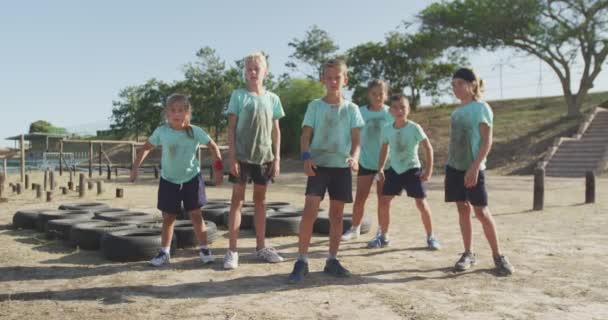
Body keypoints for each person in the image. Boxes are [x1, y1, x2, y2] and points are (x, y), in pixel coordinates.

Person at [287, 58, 365, 284]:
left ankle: (332, 259)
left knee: (337, 216)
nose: (333, 81)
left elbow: (357, 140)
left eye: (337, 77)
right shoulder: (315, 106)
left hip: (341, 167)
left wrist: (355, 158)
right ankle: (301, 261)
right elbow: (305, 135)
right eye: (329, 77)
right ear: (323, 79)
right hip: (318, 165)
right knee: (310, 210)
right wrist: (305, 157)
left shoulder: (352, 109)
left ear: (345, 79)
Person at [130, 93, 224, 267]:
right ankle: (164, 252)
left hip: (192, 179)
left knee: (196, 215)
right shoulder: (161, 132)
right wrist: (135, 168)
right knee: (168, 218)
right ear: (167, 113)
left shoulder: (195, 131)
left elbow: (213, 146)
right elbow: (146, 148)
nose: (177, 114)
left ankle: (204, 249)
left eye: (181, 110)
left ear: (187, 112)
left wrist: (218, 170)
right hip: (169, 180)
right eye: (173, 110)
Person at [446, 67, 514, 276]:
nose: (455, 88)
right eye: (453, 84)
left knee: (481, 212)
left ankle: (498, 256)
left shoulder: (481, 107)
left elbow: (487, 141)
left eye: (459, 83)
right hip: (454, 167)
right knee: (462, 209)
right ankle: (468, 253)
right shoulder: (456, 112)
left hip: (473, 167)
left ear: (472, 84)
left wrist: (474, 167)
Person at [224, 52, 285, 269]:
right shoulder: (238, 96)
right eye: (248, 68)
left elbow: (276, 130)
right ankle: (232, 251)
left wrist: (276, 159)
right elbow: (231, 128)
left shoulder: (273, 99)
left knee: (261, 201)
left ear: (265, 72)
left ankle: (261, 247)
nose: (252, 72)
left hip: (264, 157)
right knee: (237, 201)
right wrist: (232, 158)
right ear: (244, 72)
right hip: (241, 157)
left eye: (256, 68)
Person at [372, 94, 440, 250]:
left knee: (421, 203)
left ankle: (431, 237)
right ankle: (383, 236)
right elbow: (384, 148)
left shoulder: (414, 127)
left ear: (408, 109)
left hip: (412, 170)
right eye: (395, 107)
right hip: (394, 171)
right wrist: (380, 168)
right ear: (390, 111)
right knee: (384, 201)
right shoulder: (387, 129)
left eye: (403, 107)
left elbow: (428, 148)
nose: (399, 110)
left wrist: (428, 170)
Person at [340, 80, 393, 242]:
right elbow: (352, 135)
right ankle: (355, 228)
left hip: (386, 165)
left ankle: (383, 232)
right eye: (374, 94)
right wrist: (351, 156)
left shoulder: (390, 112)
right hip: (365, 162)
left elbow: (396, 136)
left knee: (383, 201)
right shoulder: (360, 111)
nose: (377, 97)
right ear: (368, 95)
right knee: (360, 198)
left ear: (386, 95)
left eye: (381, 94)